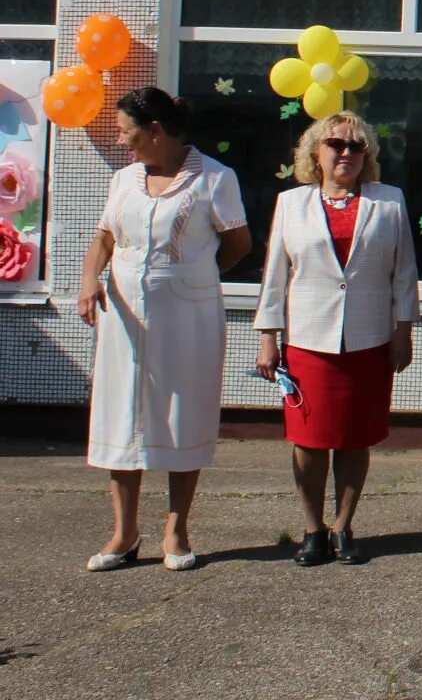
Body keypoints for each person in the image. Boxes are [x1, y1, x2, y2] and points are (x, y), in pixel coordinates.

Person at [77, 87, 252, 572]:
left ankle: (177, 529)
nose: (120, 140)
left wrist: (193, 274)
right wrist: (90, 282)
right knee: (121, 412)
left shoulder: (215, 178)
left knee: (182, 410)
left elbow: (238, 241)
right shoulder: (125, 180)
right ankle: (124, 531)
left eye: (125, 131)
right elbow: (104, 239)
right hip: (124, 316)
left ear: (155, 130)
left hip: (187, 316)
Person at [253, 111, 419, 566]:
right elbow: (275, 275)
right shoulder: (291, 203)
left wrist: (403, 330)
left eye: (356, 146)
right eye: (336, 145)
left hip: (368, 339)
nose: (346, 153)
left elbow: (404, 272)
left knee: (354, 438)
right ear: (315, 153)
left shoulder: (389, 201)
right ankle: (312, 529)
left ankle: (344, 526)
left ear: (368, 155)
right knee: (308, 440)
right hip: (308, 340)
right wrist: (269, 335)